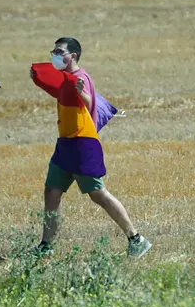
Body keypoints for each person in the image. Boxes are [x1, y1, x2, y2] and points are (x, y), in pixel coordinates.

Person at [29, 37, 151, 258]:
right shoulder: (65, 78)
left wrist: (81, 92)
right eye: (53, 51)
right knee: (52, 192)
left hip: (82, 144)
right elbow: (60, 92)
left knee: (98, 194)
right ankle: (46, 246)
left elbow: (90, 103)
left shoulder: (81, 78)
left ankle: (136, 239)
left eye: (59, 52)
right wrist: (39, 79)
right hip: (65, 144)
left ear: (73, 56)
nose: (55, 55)